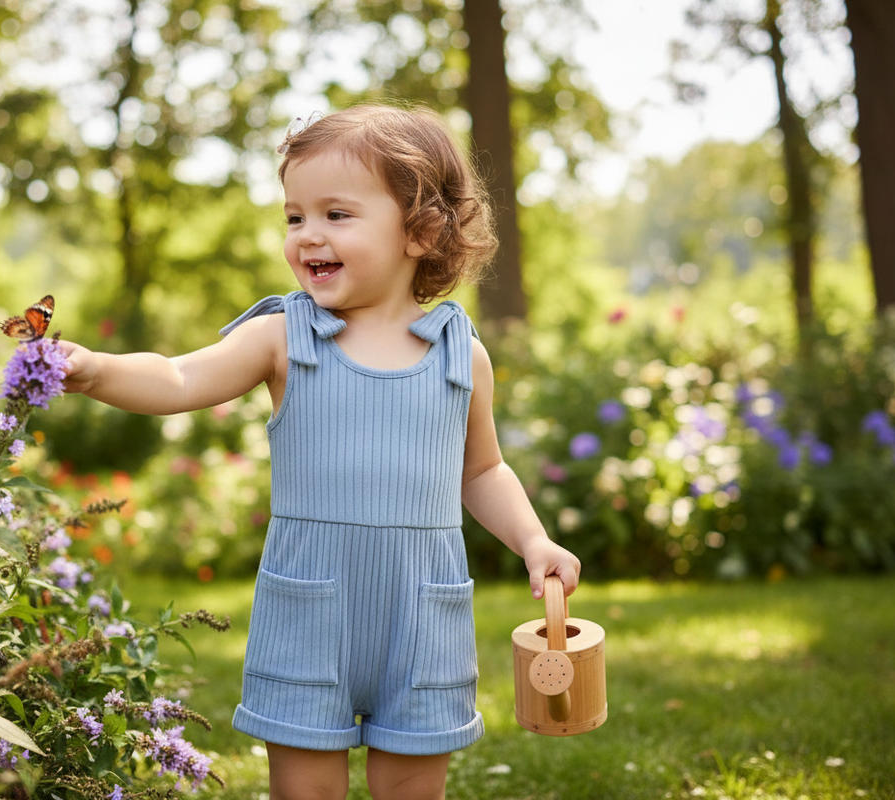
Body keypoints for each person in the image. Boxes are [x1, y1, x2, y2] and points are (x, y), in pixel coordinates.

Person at [60, 103, 581, 800]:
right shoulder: (283, 335)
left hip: (422, 615)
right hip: (309, 612)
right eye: (295, 216)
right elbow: (181, 376)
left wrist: (533, 539)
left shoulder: (464, 354)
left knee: (412, 790)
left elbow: (481, 469)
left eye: (336, 215)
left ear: (422, 231)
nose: (308, 235)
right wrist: (94, 368)